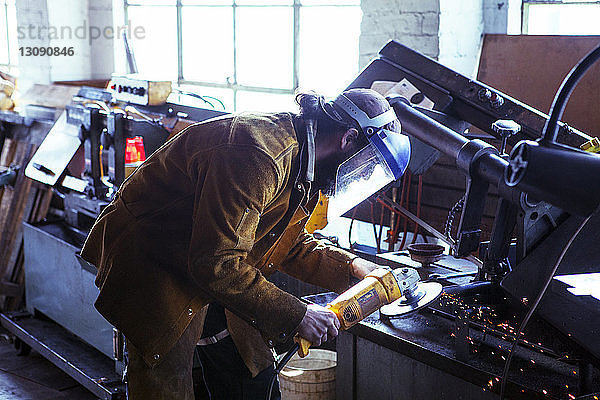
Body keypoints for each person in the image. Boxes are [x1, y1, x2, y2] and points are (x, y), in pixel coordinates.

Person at [80, 87, 410, 399]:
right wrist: (298, 314)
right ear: (348, 138)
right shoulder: (257, 155)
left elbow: (286, 243)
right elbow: (217, 264)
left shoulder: (307, 166)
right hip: (155, 259)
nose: (364, 176)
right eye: (366, 164)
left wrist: (353, 267)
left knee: (253, 374)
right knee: (165, 383)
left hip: (214, 261)